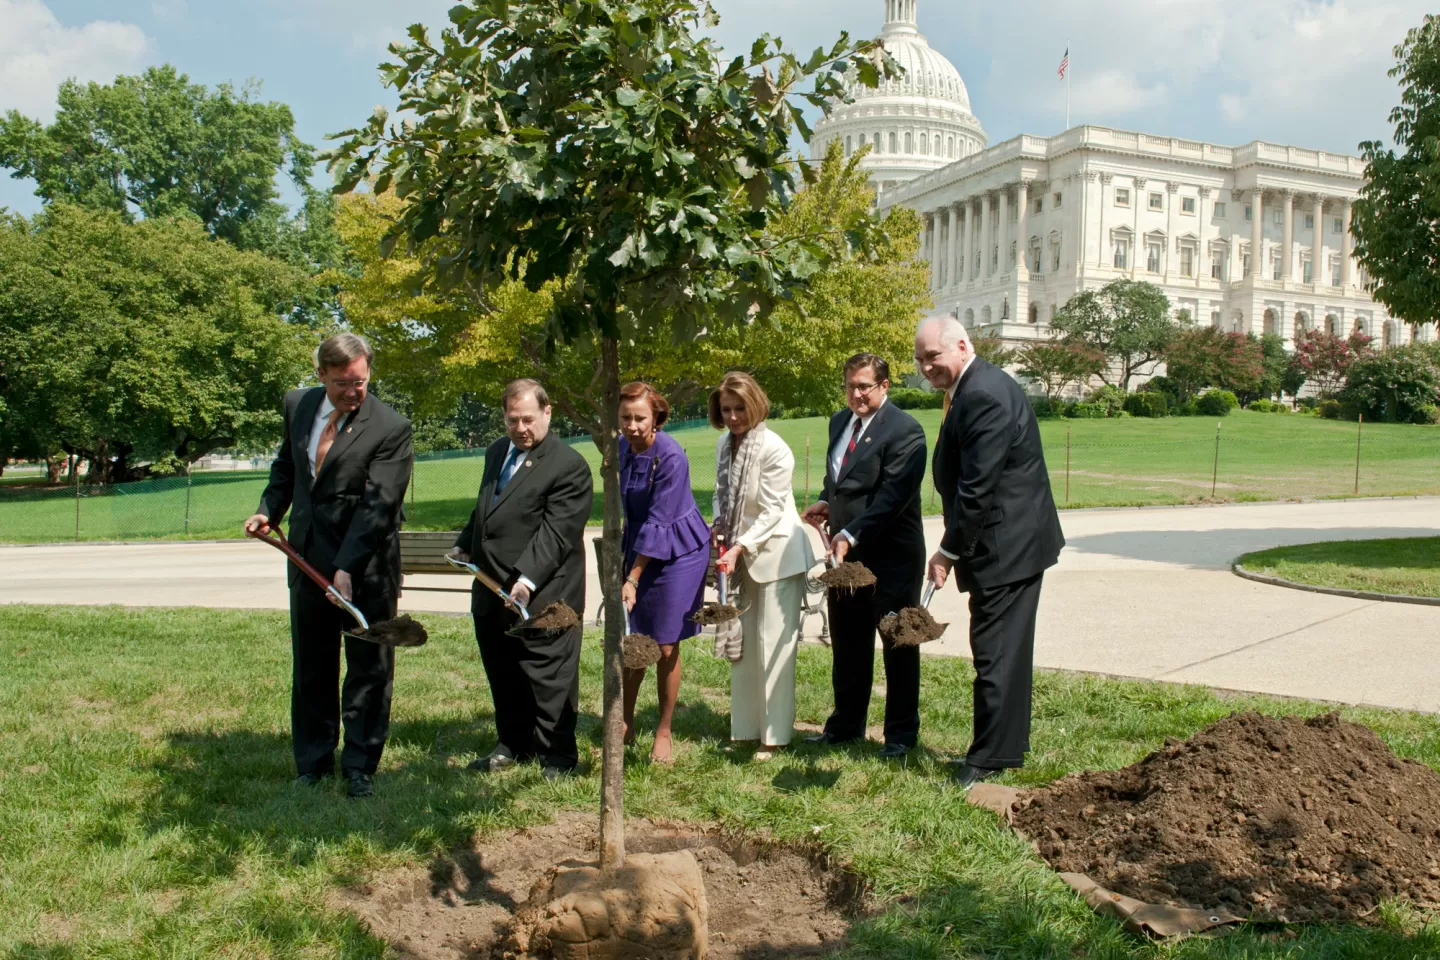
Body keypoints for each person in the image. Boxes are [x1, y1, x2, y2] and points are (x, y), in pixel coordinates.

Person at [244, 333, 414, 799]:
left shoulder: (390, 427)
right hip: (306, 559)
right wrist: (268, 510)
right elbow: (287, 468)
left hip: (366, 566)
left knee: (369, 668)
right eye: (342, 383)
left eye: (360, 382)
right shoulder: (298, 405)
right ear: (321, 375)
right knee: (313, 666)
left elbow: (379, 508)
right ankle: (313, 763)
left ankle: (359, 765)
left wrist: (346, 568)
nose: (352, 392)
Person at [914, 316, 1065, 788]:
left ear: (961, 345)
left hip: (1006, 546)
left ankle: (989, 759)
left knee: (995, 652)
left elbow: (979, 488)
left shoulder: (983, 393)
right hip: (1010, 541)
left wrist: (947, 551)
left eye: (933, 357)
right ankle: (1007, 747)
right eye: (920, 360)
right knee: (1006, 650)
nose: (925, 367)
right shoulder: (972, 385)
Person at [448, 379, 593, 780]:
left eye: (528, 419)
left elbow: (558, 532)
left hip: (545, 591)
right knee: (504, 671)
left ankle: (558, 757)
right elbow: (486, 509)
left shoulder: (568, 465)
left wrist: (527, 579)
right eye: (513, 420)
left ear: (548, 413)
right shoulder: (497, 451)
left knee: (548, 676)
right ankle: (512, 745)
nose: (521, 428)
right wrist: (465, 544)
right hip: (491, 588)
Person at [801, 353, 928, 759]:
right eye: (850, 386)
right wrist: (825, 501)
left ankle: (900, 736)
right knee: (848, 643)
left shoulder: (906, 431)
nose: (856, 394)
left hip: (891, 556)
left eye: (864, 387)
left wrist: (850, 533)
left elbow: (893, 497)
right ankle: (846, 726)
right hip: (845, 559)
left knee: (897, 643)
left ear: (885, 386)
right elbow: (838, 477)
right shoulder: (840, 422)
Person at [710, 372, 815, 759]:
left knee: (773, 646)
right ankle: (745, 730)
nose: (734, 417)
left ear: (755, 405)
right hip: (741, 556)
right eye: (726, 409)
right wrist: (720, 528)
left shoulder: (775, 448)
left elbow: (772, 511)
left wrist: (739, 545)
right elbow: (723, 495)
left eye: (740, 408)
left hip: (778, 556)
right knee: (745, 647)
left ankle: (775, 737)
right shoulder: (725, 443)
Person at [617, 382, 709, 764]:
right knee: (635, 642)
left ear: (657, 417)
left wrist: (633, 577)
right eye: (625, 418)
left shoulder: (670, 456)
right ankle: (622, 722)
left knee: (666, 644)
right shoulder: (621, 447)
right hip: (640, 546)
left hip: (679, 553)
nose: (633, 426)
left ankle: (665, 728)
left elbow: (658, 521)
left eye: (640, 418)